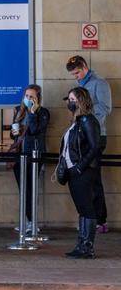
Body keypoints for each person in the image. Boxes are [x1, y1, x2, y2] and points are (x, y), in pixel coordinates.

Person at [67, 55, 113, 233]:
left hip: (95, 135)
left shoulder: (99, 83)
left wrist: (84, 111)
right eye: (73, 74)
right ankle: (88, 219)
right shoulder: (80, 86)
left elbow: (105, 108)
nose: (76, 76)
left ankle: (100, 220)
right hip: (82, 136)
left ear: (85, 67)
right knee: (84, 181)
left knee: (93, 180)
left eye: (77, 72)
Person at [61, 87, 102, 259]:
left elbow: (95, 147)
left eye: (72, 99)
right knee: (82, 208)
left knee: (86, 208)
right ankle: (82, 244)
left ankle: (87, 247)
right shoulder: (77, 121)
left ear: (81, 100)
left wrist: (80, 167)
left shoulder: (88, 120)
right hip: (74, 171)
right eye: (69, 99)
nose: (69, 102)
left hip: (83, 171)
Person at [9, 84, 50, 230]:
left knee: (31, 188)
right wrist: (13, 133)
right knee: (22, 188)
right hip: (19, 154)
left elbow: (35, 131)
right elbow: (13, 133)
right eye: (26, 96)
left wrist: (32, 113)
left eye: (32, 96)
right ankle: (26, 221)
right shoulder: (18, 110)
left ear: (37, 98)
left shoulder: (43, 113)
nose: (28, 98)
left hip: (34, 154)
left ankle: (33, 222)